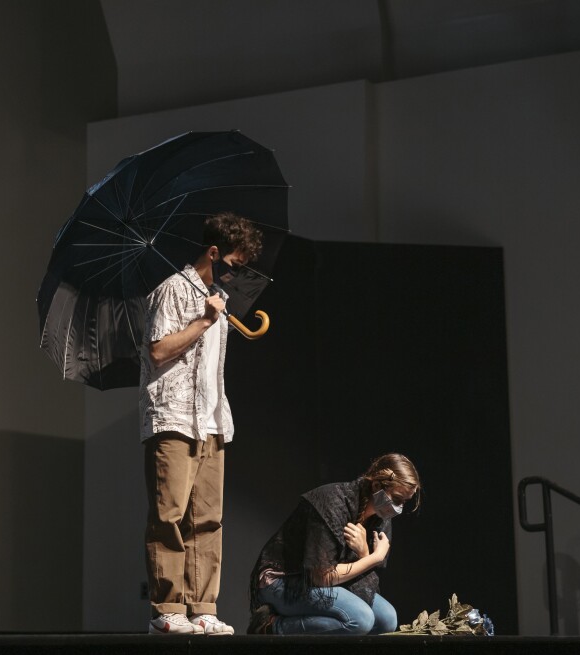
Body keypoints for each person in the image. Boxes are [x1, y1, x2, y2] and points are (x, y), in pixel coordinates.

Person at [140, 212, 263, 635]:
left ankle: (203, 606)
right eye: (234, 263)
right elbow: (157, 352)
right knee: (169, 515)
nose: (237, 272)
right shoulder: (172, 290)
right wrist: (204, 322)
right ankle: (169, 609)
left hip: (212, 420)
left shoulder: (220, 299)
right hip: (173, 418)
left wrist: (217, 317)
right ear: (214, 253)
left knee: (208, 519)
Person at [247, 453, 421, 635]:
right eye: (397, 498)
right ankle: (272, 626)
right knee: (361, 619)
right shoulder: (332, 502)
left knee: (387, 620)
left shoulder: (381, 518)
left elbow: (366, 581)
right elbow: (321, 577)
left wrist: (364, 553)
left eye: (404, 502)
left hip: (333, 582)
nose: (399, 507)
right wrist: (373, 558)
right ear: (377, 485)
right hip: (286, 580)